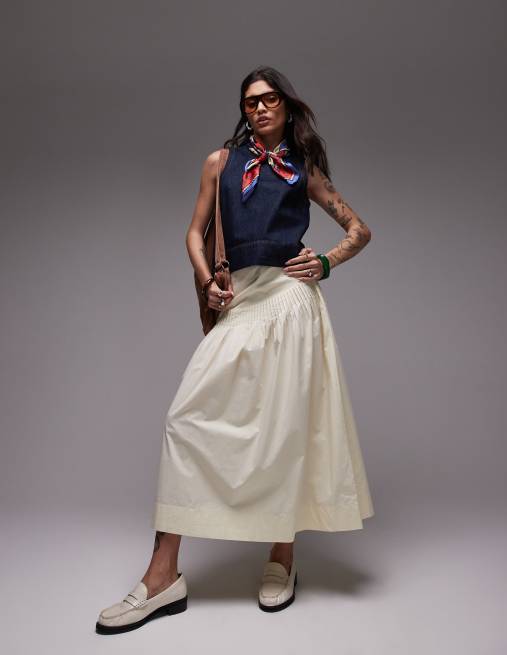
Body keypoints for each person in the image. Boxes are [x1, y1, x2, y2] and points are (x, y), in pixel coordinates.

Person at [96, 65, 374, 634]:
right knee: (186, 420)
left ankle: (282, 556)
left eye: (270, 99)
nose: (260, 108)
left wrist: (324, 262)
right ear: (243, 110)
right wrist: (208, 283)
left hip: (291, 300)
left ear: (287, 106)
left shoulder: (303, 168)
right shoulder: (220, 163)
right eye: (251, 102)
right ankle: (162, 576)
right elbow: (194, 233)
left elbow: (358, 230)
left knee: (285, 428)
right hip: (241, 300)